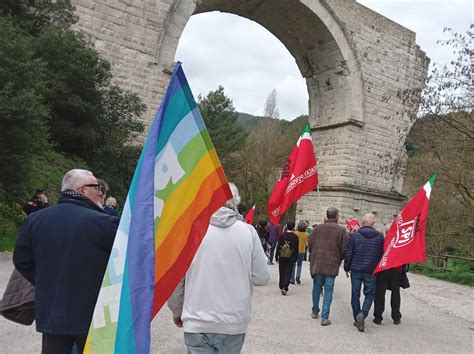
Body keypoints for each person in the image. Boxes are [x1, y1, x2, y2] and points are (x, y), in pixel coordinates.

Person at [13, 169, 118, 354]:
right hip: (93, 314)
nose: (100, 192)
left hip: (51, 311)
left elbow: (21, 259)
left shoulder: (35, 220)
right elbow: (119, 265)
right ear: (82, 190)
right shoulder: (106, 223)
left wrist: (45, 281)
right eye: (96, 187)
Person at [167, 183, 270, 354]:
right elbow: (262, 277)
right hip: (233, 323)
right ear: (235, 202)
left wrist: (177, 310)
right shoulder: (248, 232)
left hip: (196, 321)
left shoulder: (191, 231)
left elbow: (177, 278)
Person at [344, 213, 384, 332]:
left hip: (356, 269)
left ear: (362, 222)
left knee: (355, 294)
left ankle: (357, 317)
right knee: (370, 294)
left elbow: (349, 253)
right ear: (373, 224)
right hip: (371, 270)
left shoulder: (355, 236)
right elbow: (381, 255)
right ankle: (363, 314)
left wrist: (346, 267)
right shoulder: (379, 237)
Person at [308, 207, 348, 326]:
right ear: (337, 217)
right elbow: (344, 249)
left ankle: (315, 311)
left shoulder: (317, 229)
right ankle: (324, 316)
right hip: (331, 264)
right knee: (328, 290)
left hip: (318, 262)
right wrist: (338, 259)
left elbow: (309, 245)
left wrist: (315, 255)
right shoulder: (341, 231)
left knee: (317, 287)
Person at [373, 225, 409, 326]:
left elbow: (378, 255)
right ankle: (396, 317)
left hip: (383, 270)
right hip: (396, 271)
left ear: (386, 231)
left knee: (380, 294)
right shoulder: (400, 242)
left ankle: (378, 317)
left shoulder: (383, 241)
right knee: (395, 293)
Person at [276, 221, 299, 295]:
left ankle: (281, 284)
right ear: (293, 227)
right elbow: (296, 248)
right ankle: (285, 286)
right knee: (288, 271)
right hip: (291, 256)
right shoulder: (295, 237)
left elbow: (279, 246)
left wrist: (277, 255)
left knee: (282, 270)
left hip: (282, 256)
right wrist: (296, 257)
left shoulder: (282, 235)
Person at [291, 220, 309, 285]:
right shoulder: (307, 234)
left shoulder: (294, 233)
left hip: (295, 250)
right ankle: (298, 276)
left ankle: (292, 278)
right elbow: (306, 244)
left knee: (293, 264)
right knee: (299, 264)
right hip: (302, 250)